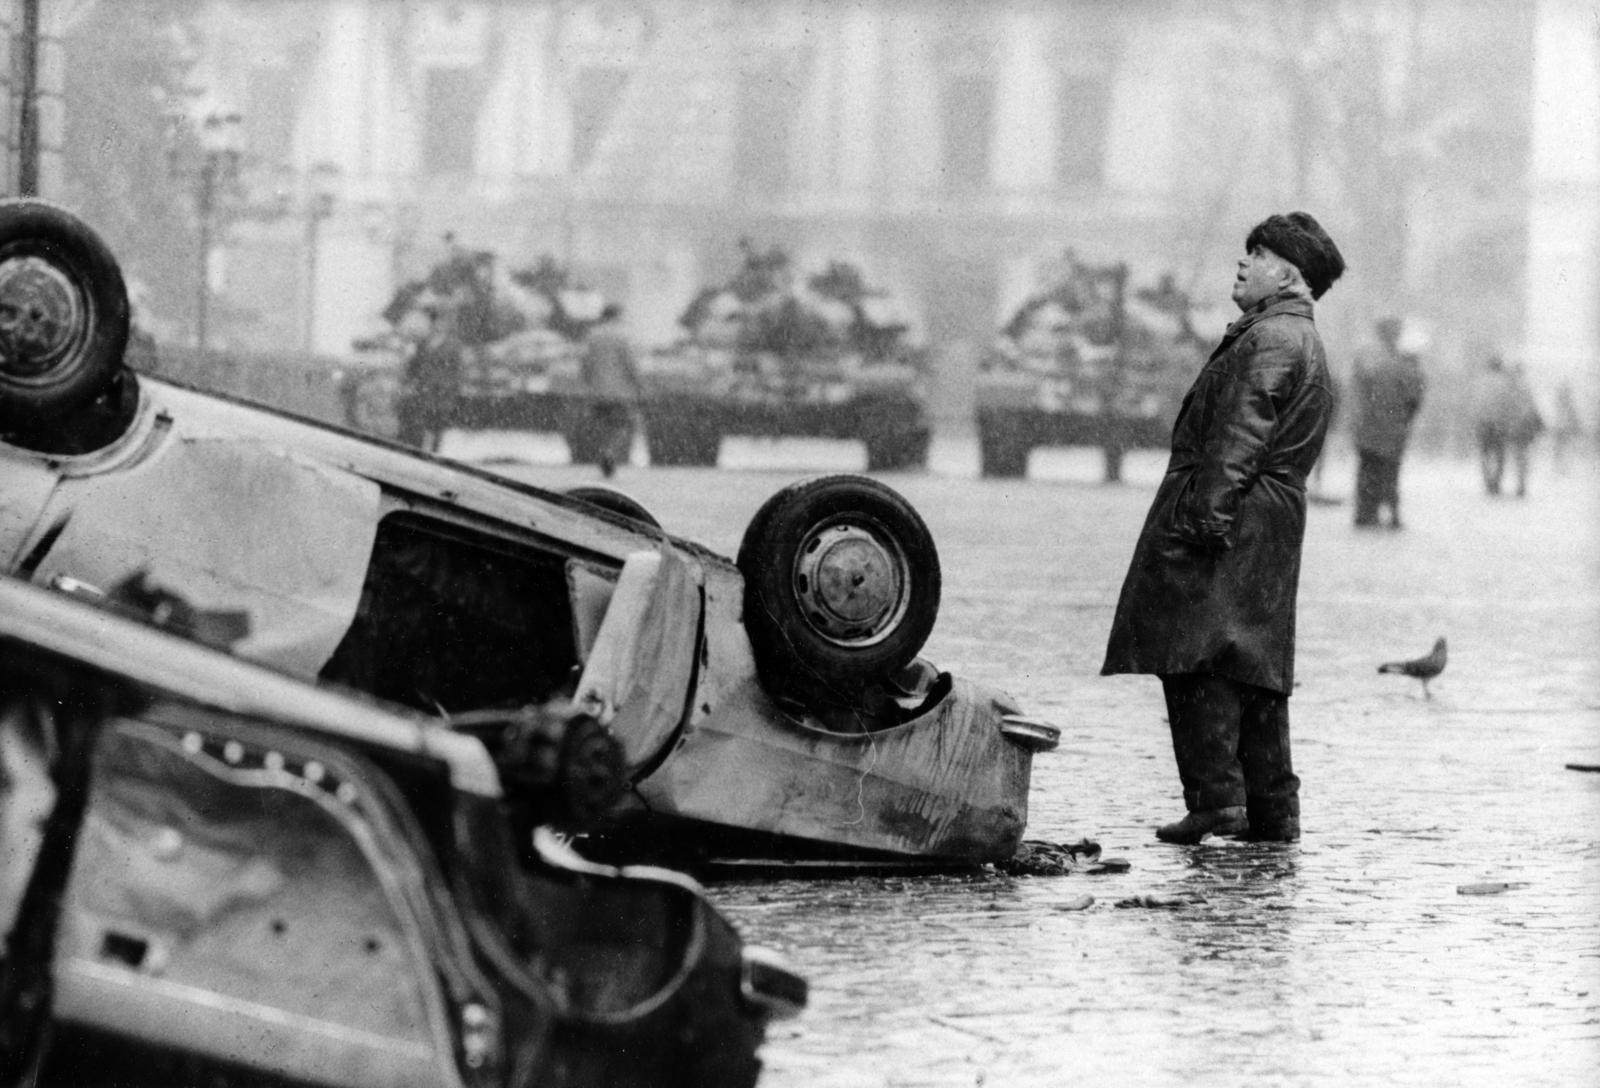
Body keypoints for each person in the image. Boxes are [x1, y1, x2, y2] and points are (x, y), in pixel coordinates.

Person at [1101, 211, 1345, 845]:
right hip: (1270, 513)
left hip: (1232, 509)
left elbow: (1241, 431)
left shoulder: (1269, 339)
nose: (1243, 262)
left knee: (1196, 655)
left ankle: (1216, 803)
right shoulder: (1298, 337)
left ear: (1285, 273)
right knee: (1252, 664)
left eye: (1257, 252)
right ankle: (1272, 811)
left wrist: (1205, 516)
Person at [1349, 317, 1424, 528]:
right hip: (1388, 427)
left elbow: (1357, 390)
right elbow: (1414, 396)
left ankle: (1367, 514)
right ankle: (1387, 514)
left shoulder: (1367, 357)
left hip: (1372, 426)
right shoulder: (1402, 361)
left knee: (1370, 470)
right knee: (1388, 471)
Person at [580, 303, 642, 478]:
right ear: (616, 316)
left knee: (602, 423)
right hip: (620, 390)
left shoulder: (592, 335)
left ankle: (603, 450)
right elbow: (630, 362)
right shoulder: (623, 335)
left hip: (597, 390)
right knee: (624, 424)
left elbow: (585, 362)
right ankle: (610, 451)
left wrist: (588, 383)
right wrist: (638, 383)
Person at [1471, 355, 1544, 497]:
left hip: (1485, 423)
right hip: (1503, 423)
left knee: (1485, 453)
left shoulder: (1480, 381)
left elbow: (1475, 404)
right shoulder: (1508, 383)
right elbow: (1512, 405)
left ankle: (1489, 483)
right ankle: (1506, 482)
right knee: (1502, 454)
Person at [396, 305, 463, 453]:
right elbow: (414, 367)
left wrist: (449, 389)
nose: (439, 326)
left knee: (437, 428)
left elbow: (456, 371)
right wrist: (410, 381)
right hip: (423, 393)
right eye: (436, 322)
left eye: (442, 322)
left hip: (442, 394)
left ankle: (434, 455)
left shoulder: (451, 346)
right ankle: (421, 455)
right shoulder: (423, 344)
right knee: (421, 427)